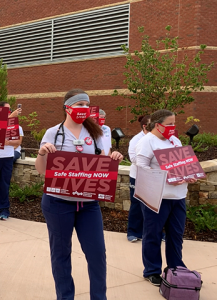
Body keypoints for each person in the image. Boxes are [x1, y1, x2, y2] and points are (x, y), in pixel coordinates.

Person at [35, 89, 123, 300]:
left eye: (87, 105)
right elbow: (41, 170)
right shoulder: (53, 133)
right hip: (58, 203)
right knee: (61, 254)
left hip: (88, 205)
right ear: (67, 107)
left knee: (97, 255)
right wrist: (42, 153)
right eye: (79, 104)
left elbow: (103, 167)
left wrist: (114, 160)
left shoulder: (96, 133)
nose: (84, 109)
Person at [135, 109, 197, 286]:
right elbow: (141, 168)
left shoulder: (174, 140)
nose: (173, 127)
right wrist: (167, 176)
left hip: (178, 196)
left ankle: (175, 267)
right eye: (169, 124)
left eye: (174, 123)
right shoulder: (147, 142)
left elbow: (183, 163)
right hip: (157, 197)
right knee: (153, 234)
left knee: (176, 234)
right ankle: (152, 270)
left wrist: (189, 173)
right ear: (157, 125)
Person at [127, 115, 150, 242]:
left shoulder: (159, 139)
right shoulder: (136, 140)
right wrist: (151, 161)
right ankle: (133, 232)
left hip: (154, 178)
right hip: (138, 177)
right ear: (145, 126)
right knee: (136, 205)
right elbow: (133, 159)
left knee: (155, 206)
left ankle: (156, 232)